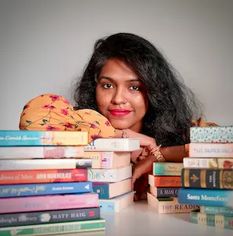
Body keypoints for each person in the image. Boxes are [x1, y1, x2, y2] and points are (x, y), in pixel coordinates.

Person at [20, 32, 214, 200]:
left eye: (134, 87)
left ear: (155, 91)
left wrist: (161, 153)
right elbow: (32, 117)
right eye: (107, 85)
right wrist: (115, 138)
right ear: (93, 87)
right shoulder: (74, 124)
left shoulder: (182, 131)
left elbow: (228, 151)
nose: (118, 98)